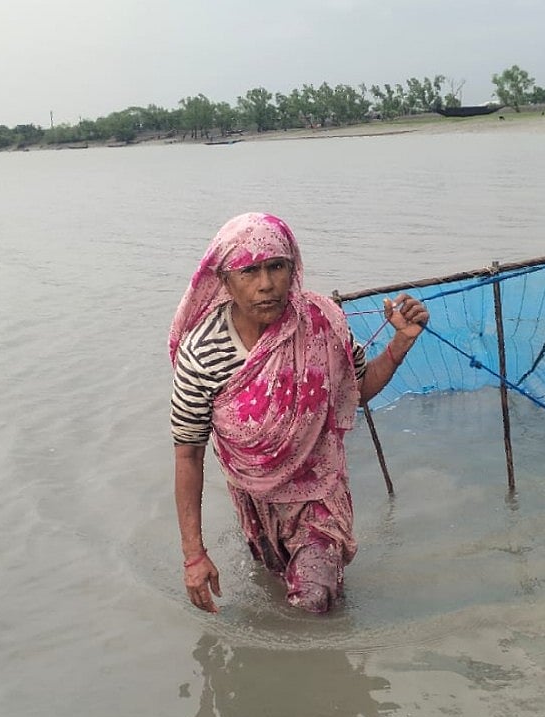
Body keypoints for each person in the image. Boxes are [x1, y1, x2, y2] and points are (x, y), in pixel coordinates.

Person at [169, 212, 428, 614]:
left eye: (277, 267)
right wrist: (194, 555)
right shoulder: (201, 353)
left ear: (293, 269)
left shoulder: (322, 323)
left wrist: (400, 344)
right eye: (249, 271)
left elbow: (359, 390)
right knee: (279, 582)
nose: (266, 284)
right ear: (224, 281)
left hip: (320, 492)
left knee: (314, 600)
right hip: (255, 500)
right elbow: (188, 454)